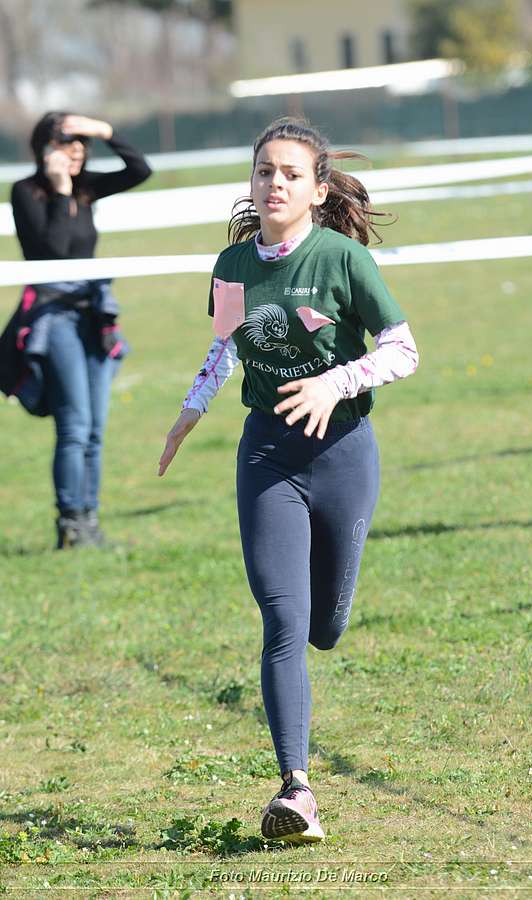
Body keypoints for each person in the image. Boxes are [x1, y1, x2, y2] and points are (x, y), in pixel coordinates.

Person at [158, 118, 419, 843]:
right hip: (267, 458)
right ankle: (296, 790)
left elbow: (403, 352)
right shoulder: (233, 264)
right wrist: (190, 411)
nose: (274, 184)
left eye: (291, 174)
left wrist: (336, 383)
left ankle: (323, 624)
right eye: (264, 171)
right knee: (283, 622)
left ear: (318, 189)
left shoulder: (342, 260)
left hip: (343, 455)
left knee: (324, 628)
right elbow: (225, 348)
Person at [10, 112, 152, 548]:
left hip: (93, 315)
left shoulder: (88, 187)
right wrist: (60, 191)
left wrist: (106, 131)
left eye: (81, 144)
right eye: (65, 143)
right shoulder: (26, 192)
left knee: (95, 427)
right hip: (53, 317)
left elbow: (140, 170)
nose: (75, 152)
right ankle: (70, 522)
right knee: (74, 424)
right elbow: (53, 250)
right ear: (43, 148)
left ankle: (89, 521)